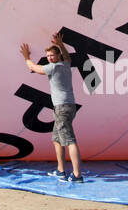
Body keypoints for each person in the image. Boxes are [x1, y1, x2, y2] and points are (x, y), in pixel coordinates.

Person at [21, 39, 84, 182]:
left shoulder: (53, 67)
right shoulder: (66, 64)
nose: (49, 58)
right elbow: (68, 57)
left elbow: (35, 68)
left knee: (69, 140)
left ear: (58, 56)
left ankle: (77, 175)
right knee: (56, 138)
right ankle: (61, 171)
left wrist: (26, 57)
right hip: (67, 106)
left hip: (62, 107)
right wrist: (61, 44)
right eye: (48, 56)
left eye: (52, 55)